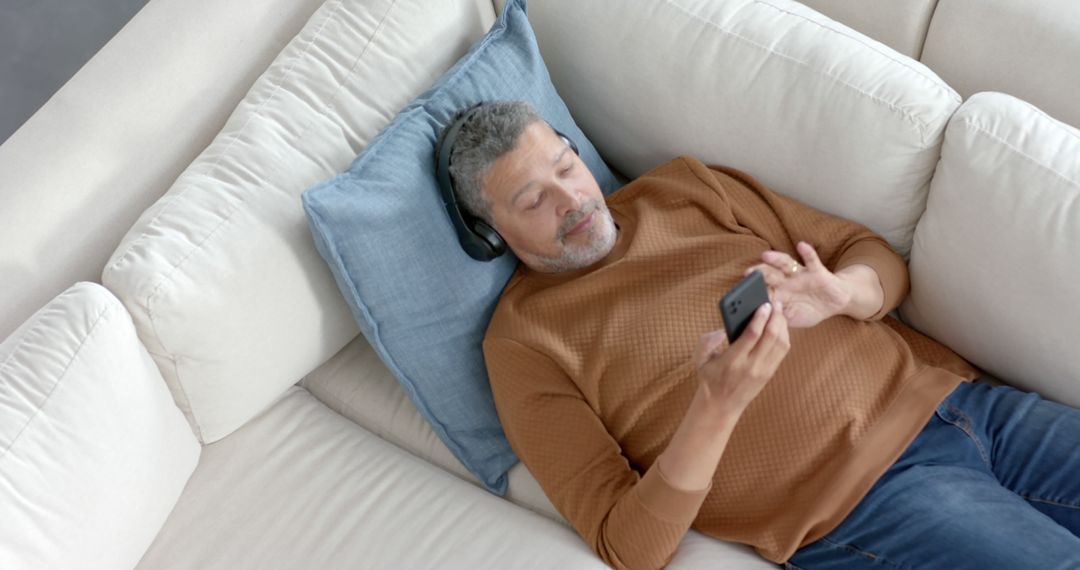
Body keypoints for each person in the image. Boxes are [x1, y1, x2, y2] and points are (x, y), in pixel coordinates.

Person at [439, 100, 1080, 570]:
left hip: (969, 406)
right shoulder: (523, 343)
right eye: (532, 200)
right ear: (490, 236)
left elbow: (868, 253)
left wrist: (842, 293)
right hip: (866, 503)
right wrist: (715, 408)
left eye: (565, 165)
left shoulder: (686, 187)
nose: (573, 199)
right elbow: (625, 544)